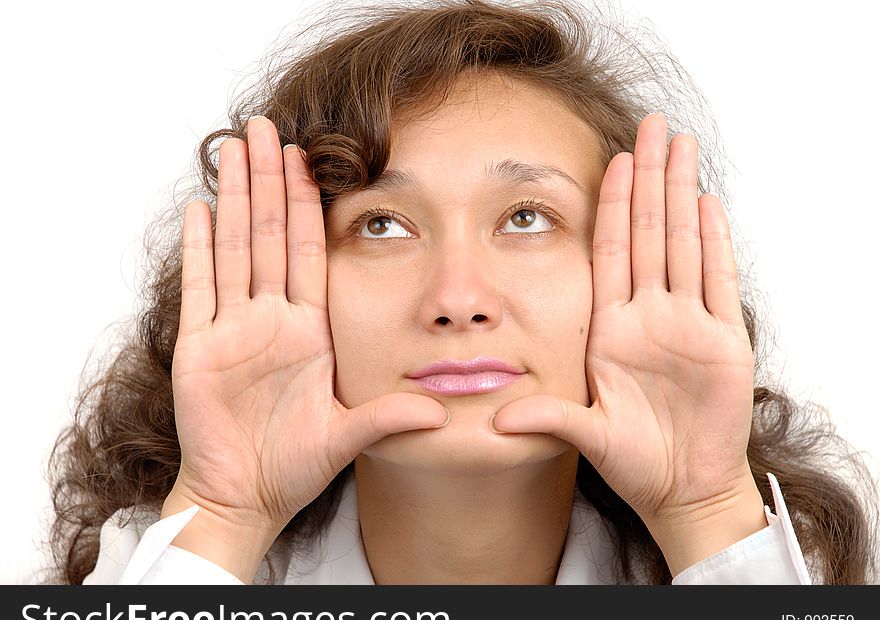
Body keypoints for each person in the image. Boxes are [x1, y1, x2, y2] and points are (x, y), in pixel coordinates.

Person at [46, 0, 878, 585]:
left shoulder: (773, 579)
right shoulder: (182, 577)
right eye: (380, 225)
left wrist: (707, 512)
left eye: (526, 216)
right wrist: (223, 513)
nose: (458, 298)